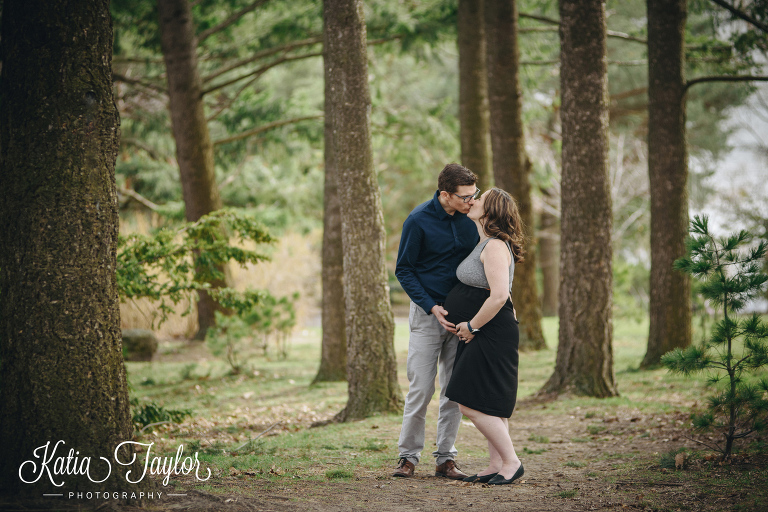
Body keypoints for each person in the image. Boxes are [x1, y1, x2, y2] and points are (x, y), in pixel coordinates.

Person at [392, 163, 481, 479]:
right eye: (465, 197)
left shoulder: (473, 221)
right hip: (428, 314)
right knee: (421, 389)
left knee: (453, 391)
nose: (472, 202)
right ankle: (408, 458)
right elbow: (404, 269)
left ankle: (446, 459)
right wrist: (431, 307)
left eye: (474, 195)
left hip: (462, 319)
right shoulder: (417, 221)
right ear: (445, 194)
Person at [443, 187, 525, 485]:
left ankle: (512, 462)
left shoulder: (493, 246)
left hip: (489, 331)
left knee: (469, 403)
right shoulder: (485, 243)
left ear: (490, 210)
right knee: (490, 401)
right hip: (485, 330)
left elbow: (500, 294)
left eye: (480, 198)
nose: (473, 200)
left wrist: (472, 325)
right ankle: (496, 463)